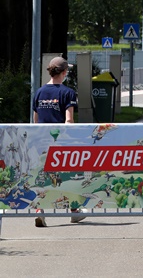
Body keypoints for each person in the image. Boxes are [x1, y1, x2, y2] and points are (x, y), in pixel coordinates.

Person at [32, 56, 87, 227]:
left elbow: (35, 120)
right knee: (68, 177)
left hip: (41, 142)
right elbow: (68, 120)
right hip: (61, 143)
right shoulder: (67, 93)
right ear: (64, 72)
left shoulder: (39, 93)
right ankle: (74, 211)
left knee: (43, 176)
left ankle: (40, 210)